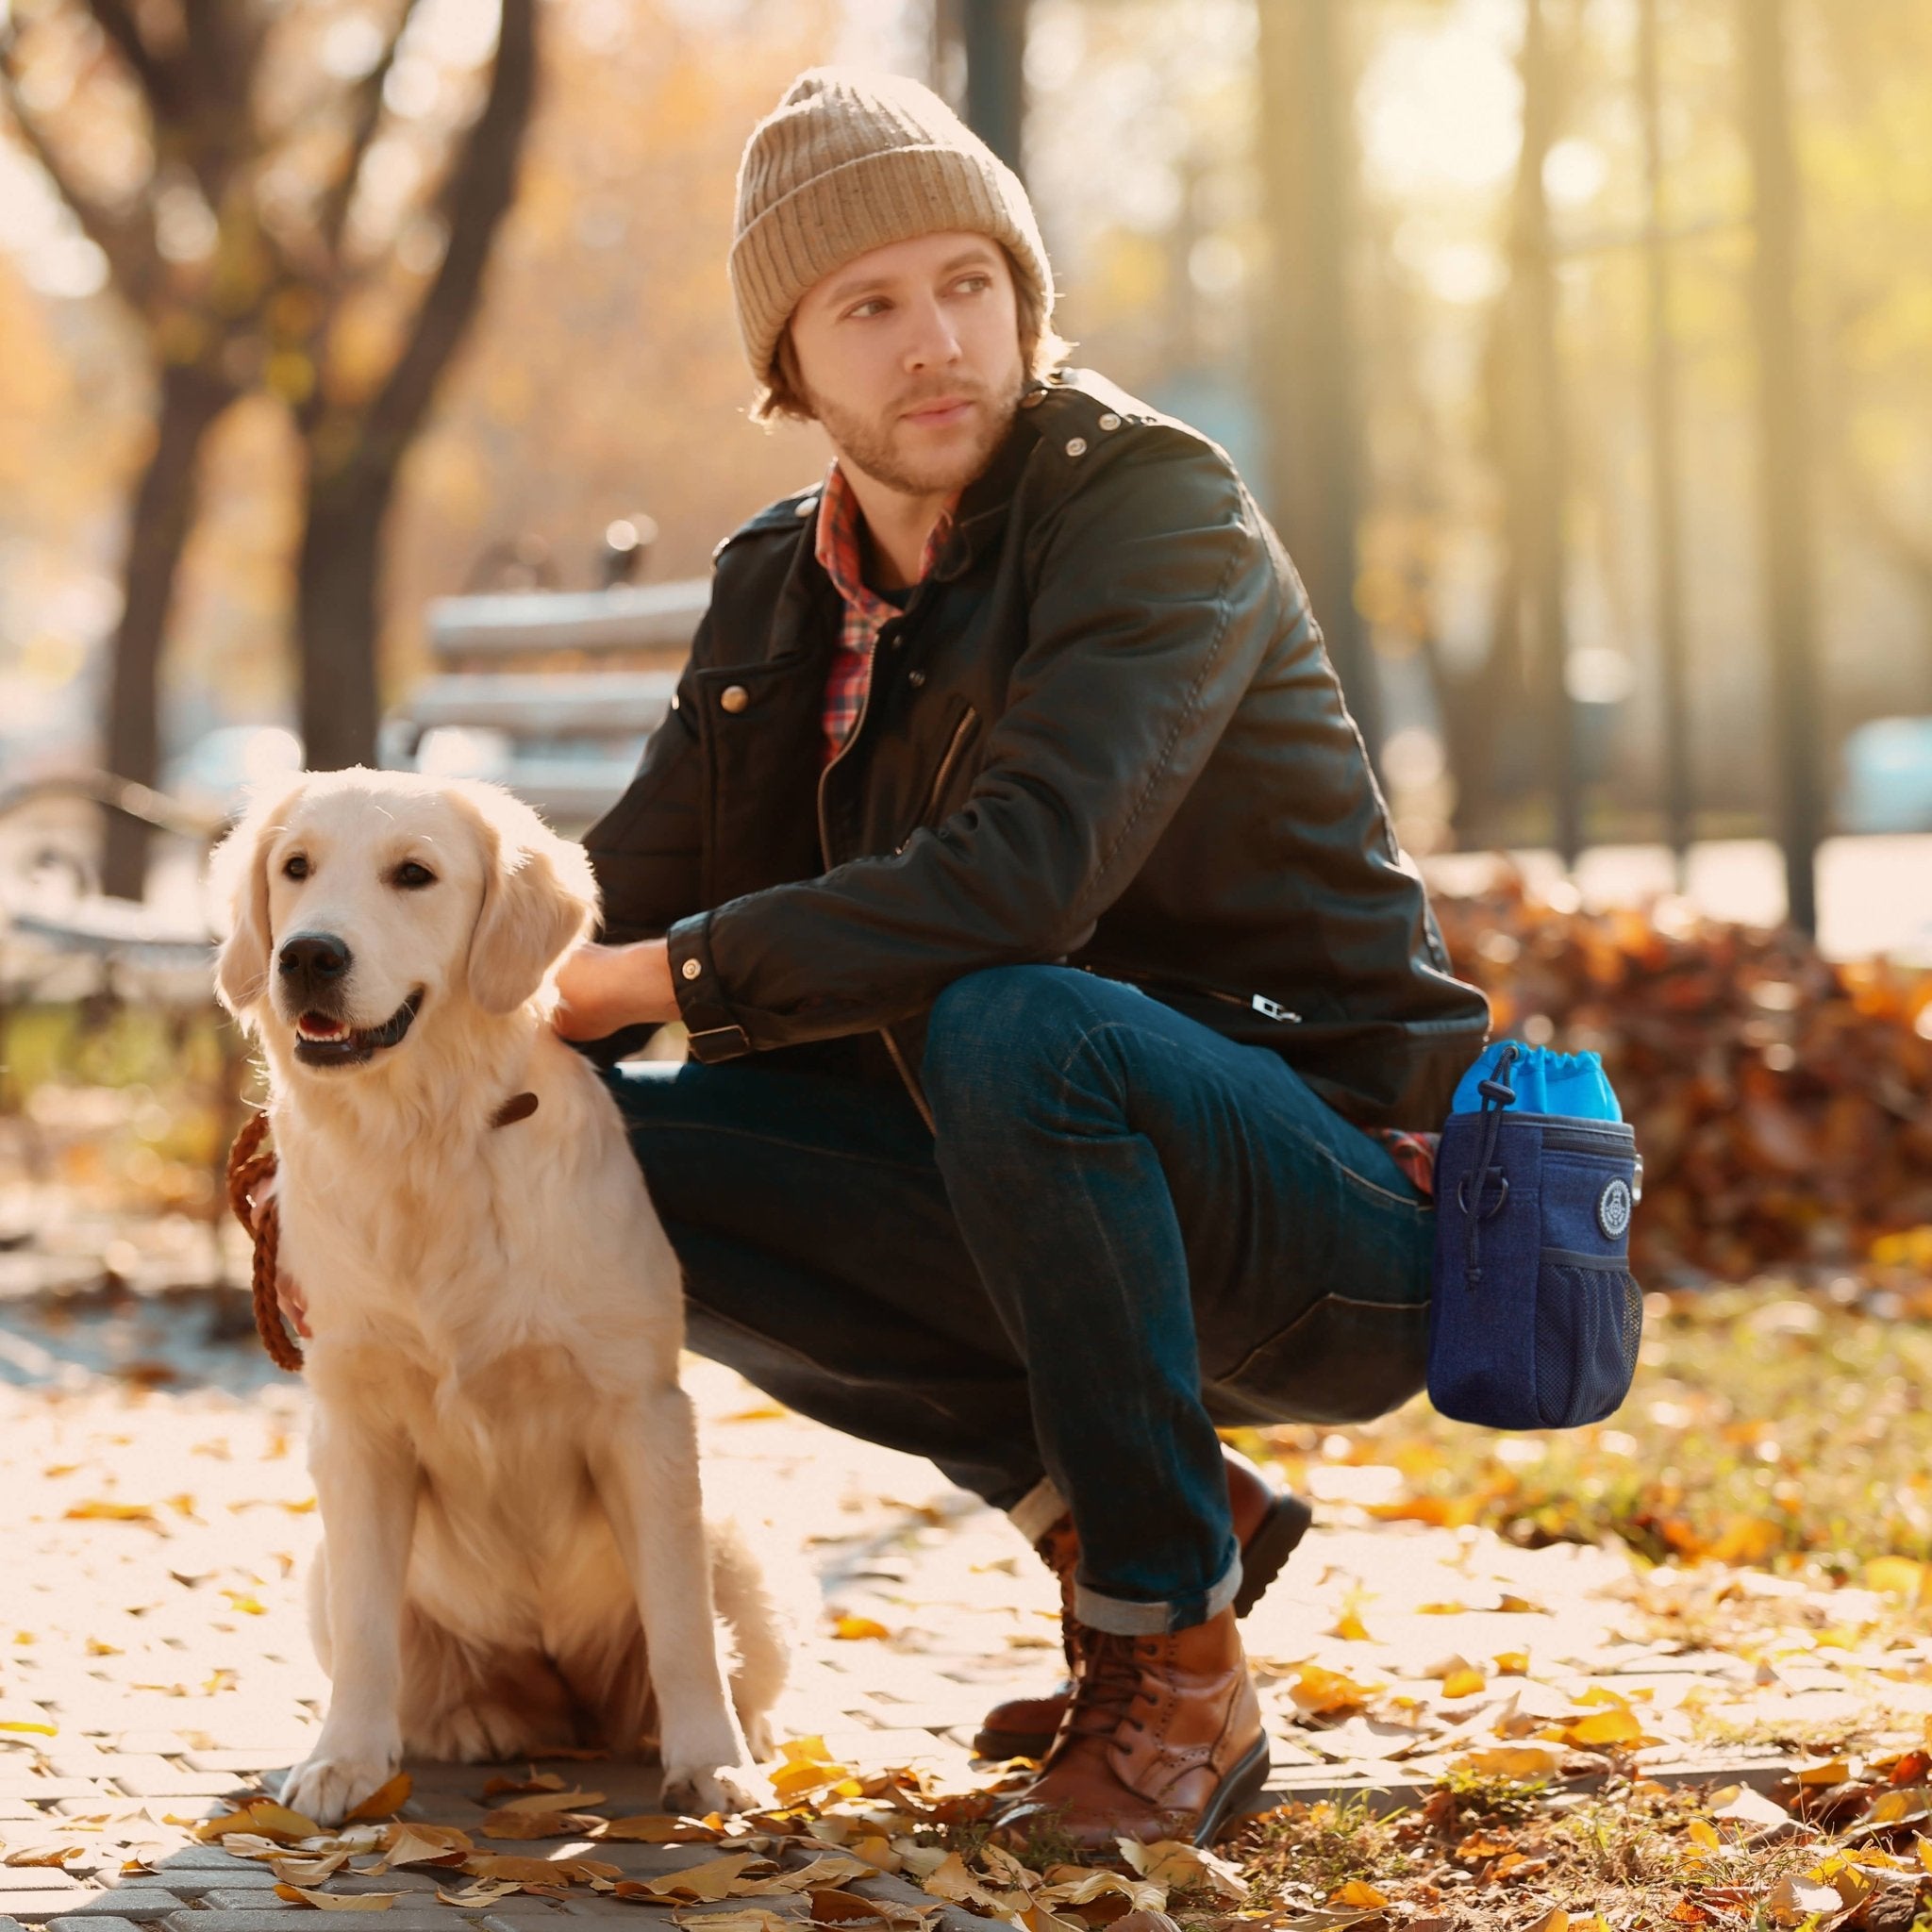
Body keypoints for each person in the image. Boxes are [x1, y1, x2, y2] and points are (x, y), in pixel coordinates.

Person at [554, 67, 1490, 1847]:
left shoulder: (1150, 507)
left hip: (1334, 1190)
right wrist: (383, 1087)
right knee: (588, 1153)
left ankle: (1176, 1673)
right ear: (791, 365)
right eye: (872, 305)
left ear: (1023, 296)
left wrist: (648, 987)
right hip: (1029, 1183)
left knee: (1018, 1020)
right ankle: (1133, 1508)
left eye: (970, 284)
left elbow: (1020, 881)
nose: (937, 342)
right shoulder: (779, 589)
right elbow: (592, 908)